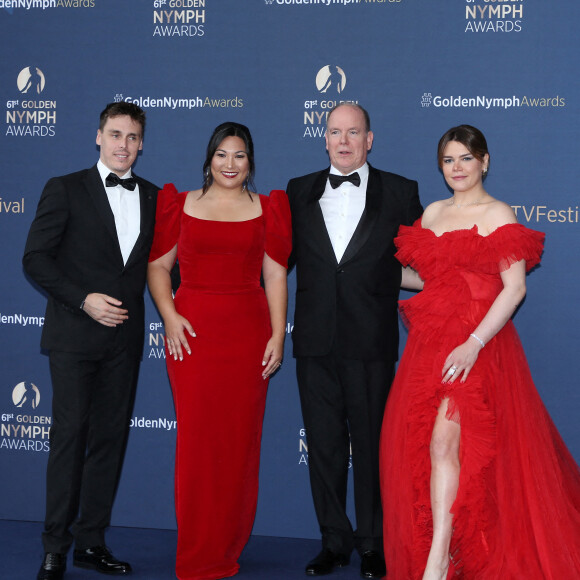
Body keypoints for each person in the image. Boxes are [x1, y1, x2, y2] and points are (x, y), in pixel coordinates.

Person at [379, 124, 580, 579]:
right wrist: (377, 275)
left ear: (484, 162)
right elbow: (429, 281)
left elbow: (514, 289)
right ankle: (448, 554)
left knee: (442, 443)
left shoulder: (498, 215)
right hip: (431, 346)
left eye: (465, 159)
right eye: (449, 161)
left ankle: (436, 563)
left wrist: (473, 344)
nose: (457, 168)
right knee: (430, 450)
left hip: (479, 347)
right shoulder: (430, 214)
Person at [147, 122, 291, 580]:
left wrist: (277, 334)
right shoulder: (179, 203)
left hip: (247, 336)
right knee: (197, 445)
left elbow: (274, 275)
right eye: (222, 155)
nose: (230, 164)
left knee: (238, 445)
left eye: (240, 156)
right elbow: (157, 267)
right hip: (191, 336)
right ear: (209, 158)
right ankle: (197, 551)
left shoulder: (269, 208)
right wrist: (169, 316)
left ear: (251, 161)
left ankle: (228, 542)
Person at [23, 102, 159, 580]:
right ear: (97, 137)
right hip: (74, 338)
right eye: (115, 134)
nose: (123, 144)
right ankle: (54, 547)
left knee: (109, 442)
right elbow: (36, 258)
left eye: (132, 137)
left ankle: (91, 543)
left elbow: (168, 270)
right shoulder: (64, 188)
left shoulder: (154, 197)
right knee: (68, 439)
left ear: (142, 145)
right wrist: (83, 300)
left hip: (125, 343)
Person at [286, 103, 422, 578]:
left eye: (354, 132)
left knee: (371, 446)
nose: (344, 141)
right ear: (324, 138)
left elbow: (424, 263)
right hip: (314, 343)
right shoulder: (297, 191)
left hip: (371, 341)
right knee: (323, 446)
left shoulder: (402, 192)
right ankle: (333, 541)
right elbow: (270, 261)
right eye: (335, 132)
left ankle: (372, 543)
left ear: (370, 139)